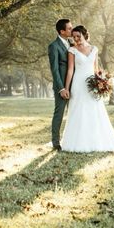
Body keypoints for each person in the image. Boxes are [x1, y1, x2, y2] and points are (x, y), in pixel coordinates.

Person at [61, 25, 114, 152]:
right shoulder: (72, 50)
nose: (76, 39)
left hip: (92, 84)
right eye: (74, 37)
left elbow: (96, 69)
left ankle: (96, 139)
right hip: (78, 84)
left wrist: (102, 82)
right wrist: (66, 88)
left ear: (84, 35)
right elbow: (70, 70)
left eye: (78, 36)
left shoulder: (94, 49)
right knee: (79, 110)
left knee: (94, 110)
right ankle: (76, 141)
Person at [48, 19, 73, 151]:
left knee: (75, 112)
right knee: (59, 113)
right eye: (69, 28)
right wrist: (61, 88)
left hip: (75, 85)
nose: (71, 30)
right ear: (62, 31)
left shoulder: (72, 44)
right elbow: (55, 69)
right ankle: (55, 142)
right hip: (62, 87)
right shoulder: (54, 46)